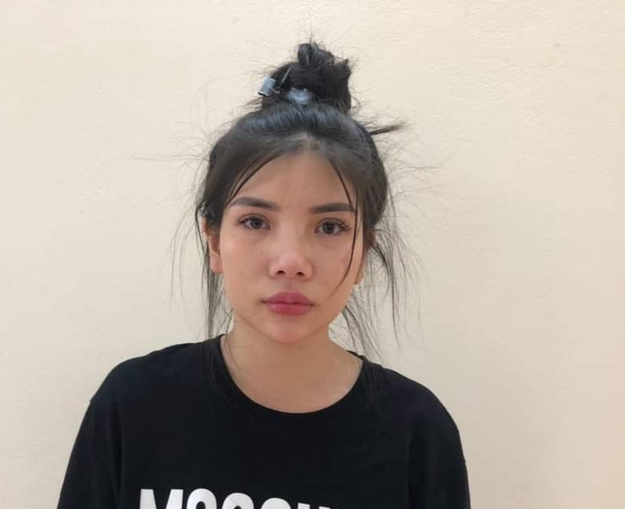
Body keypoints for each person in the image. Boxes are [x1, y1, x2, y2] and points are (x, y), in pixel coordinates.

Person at [57, 41, 471, 509]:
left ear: (363, 253)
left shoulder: (417, 430)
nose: (290, 261)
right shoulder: (134, 404)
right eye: (256, 221)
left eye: (330, 227)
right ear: (214, 241)